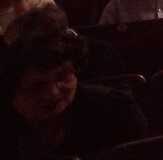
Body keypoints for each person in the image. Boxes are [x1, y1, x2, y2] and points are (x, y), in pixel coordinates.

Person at [0, 29, 149, 159]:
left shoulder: (115, 109)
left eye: (62, 76)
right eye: (37, 86)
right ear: (12, 91)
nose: (54, 92)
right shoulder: (6, 120)